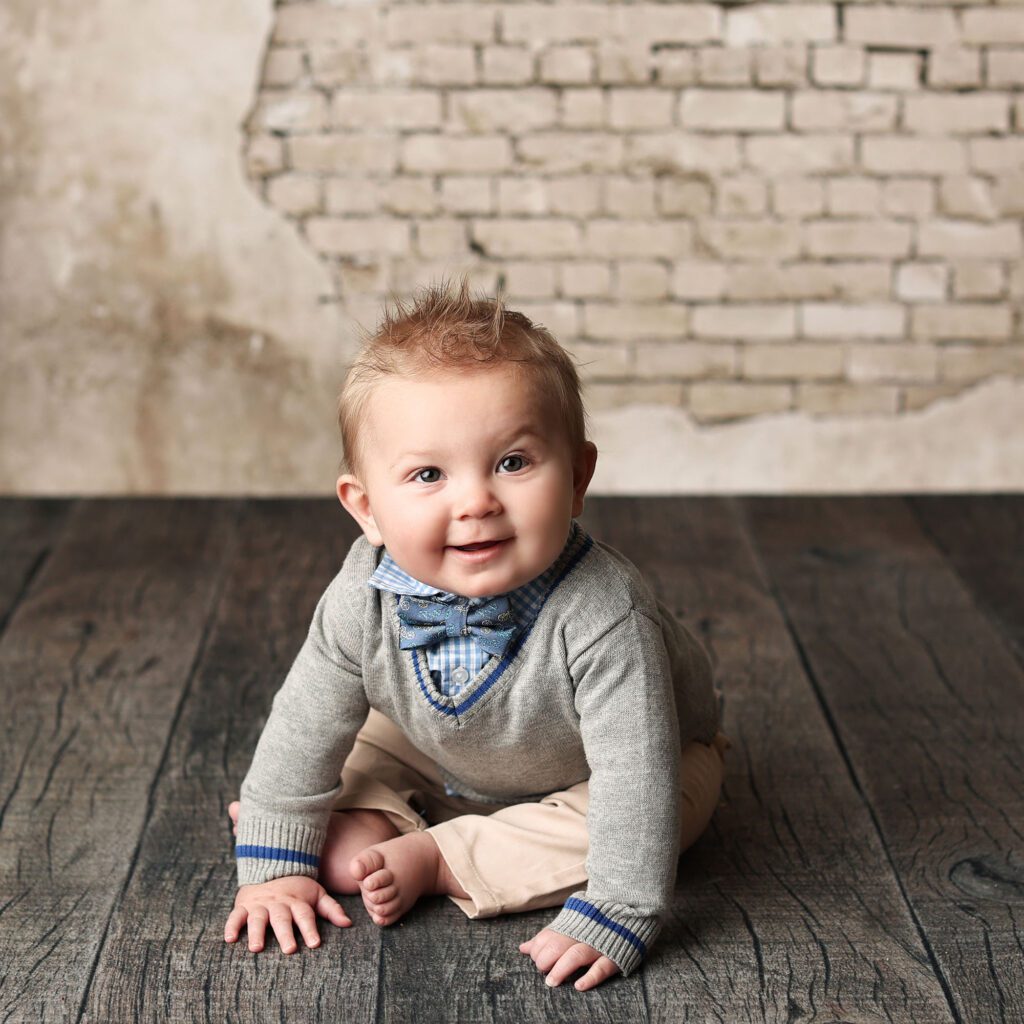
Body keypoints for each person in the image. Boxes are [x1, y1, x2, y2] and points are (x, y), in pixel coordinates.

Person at [224, 275, 727, 991]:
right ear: (365, 508)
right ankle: (359, 827)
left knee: (653, 821)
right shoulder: (359, 597)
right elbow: (304, 726)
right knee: (344, 738)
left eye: (513, 463)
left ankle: (438, 856)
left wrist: (619, 904)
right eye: (428, 473)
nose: (476, 502)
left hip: (617, 764)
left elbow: (633, 774)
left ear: (579, 476)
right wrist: (271, 868)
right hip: (441, 740)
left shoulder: (605, 614)